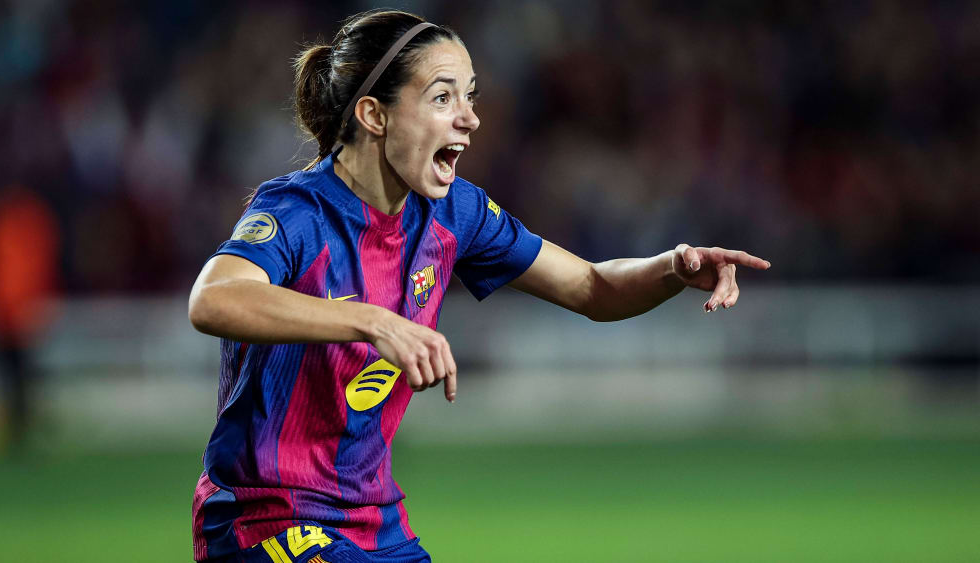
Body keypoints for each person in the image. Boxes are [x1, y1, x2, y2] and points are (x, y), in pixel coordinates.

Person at [188, 9, 770, 563]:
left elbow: (592, 286)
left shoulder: (453, 213)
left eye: (470, 96)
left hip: (374, 522)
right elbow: (214, 298)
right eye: (443, 98)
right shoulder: (298, 211)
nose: (469, 119)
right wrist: (373, 321)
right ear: (374, 115)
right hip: (265, 517)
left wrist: (671, 267)